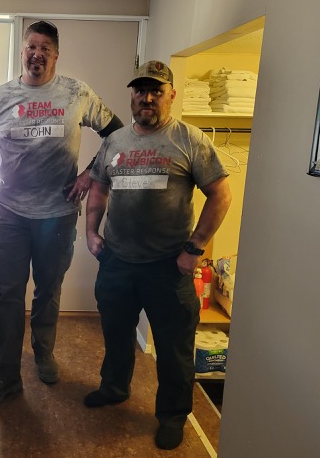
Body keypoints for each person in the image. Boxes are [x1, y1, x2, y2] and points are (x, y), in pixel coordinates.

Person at [0, 20, 124, 411]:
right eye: (32, 46)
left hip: (57, 216)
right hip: (10, 213)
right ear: (23, 51)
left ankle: (43, 352)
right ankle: (6, 375)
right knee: (7, 295)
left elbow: (117, 134)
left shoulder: (76, 93)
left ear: (56, 55)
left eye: (46, 48)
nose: (37, 54)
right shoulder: (2, 97)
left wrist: (91, 173)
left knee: (48, 290)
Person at [84, 60, 232, 450]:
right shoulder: (115, 141)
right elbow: (98, 188)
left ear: (171, 95)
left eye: (155, 91)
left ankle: (172, 415)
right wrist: (91, 233)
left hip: (169, 267)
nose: (146, 98)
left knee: (174, 349)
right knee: (116, 335)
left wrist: (194, 249)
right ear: (132, 96)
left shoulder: (190, 139)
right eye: (140, 91)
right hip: (117, 262)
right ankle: (114, 388)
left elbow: (221, 195)